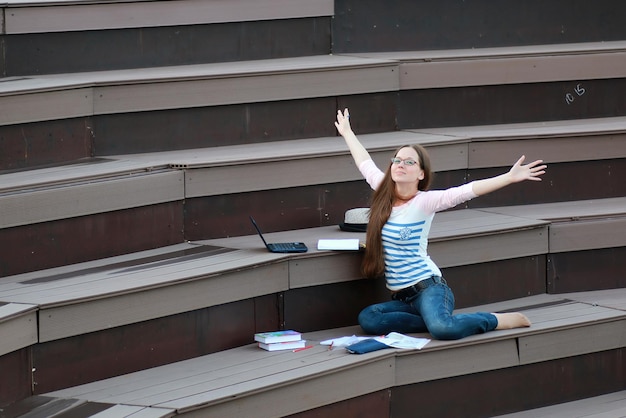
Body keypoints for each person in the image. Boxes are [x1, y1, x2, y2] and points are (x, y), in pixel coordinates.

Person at [334, 108, 547, 340]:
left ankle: (495, 320)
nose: (400, 164)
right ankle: (435, 319)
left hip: (430, 289)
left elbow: (465, 191)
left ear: (421, 174)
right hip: (403, 299)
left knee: (443, 330)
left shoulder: (424, 202)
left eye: (409, 162)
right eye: (397, 160)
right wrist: (347, 132)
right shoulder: (383, 191)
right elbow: (364, 162)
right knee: (369, 318)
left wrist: (508, 177)